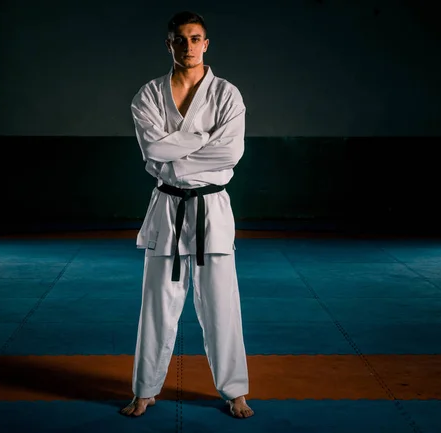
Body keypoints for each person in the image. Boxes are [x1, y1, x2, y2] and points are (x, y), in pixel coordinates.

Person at [120, 11, 254, 419]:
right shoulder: (147, 95)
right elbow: (151, 153)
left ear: (206, 44)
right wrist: (199, 142)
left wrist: (175, 156)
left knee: (222, 305)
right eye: (180, 39)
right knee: (156, 304)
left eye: (195, 39)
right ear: (169, 44)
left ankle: (235, 391)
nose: (188, 46)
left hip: (212, 208)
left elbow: (230, 153)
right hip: (166, 208)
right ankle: (145, 390)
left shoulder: (227, 94)